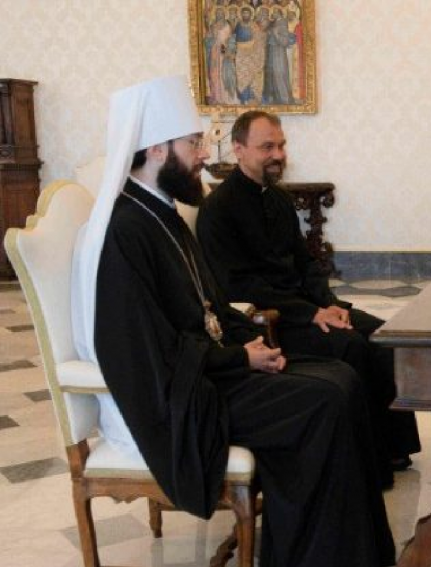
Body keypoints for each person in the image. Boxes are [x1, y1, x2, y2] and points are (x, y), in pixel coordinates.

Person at [70, 76, 395, 567]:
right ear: (156, 149)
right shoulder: (125, 232)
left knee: (343, 377)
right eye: (193, 143)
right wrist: (238, 358)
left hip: (211, 370)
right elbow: (148, 354)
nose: (204, 154)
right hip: (181, 401)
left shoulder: (163, 214)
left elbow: (214, 306)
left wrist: (255, 342)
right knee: (323, 402)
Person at [197, 110, 420, 487]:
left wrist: (328, 303)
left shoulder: (279, 199)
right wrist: (311, 313)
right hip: (273, 319)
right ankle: (366, 464)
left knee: (385, 336)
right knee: (350, 345)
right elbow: (238, 287)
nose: (278, 155)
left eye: (281, 146)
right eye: (267, 147)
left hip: (307, 306)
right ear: (238, 149)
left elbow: (305, 262)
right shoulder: (218, 210)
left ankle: (393, 448)